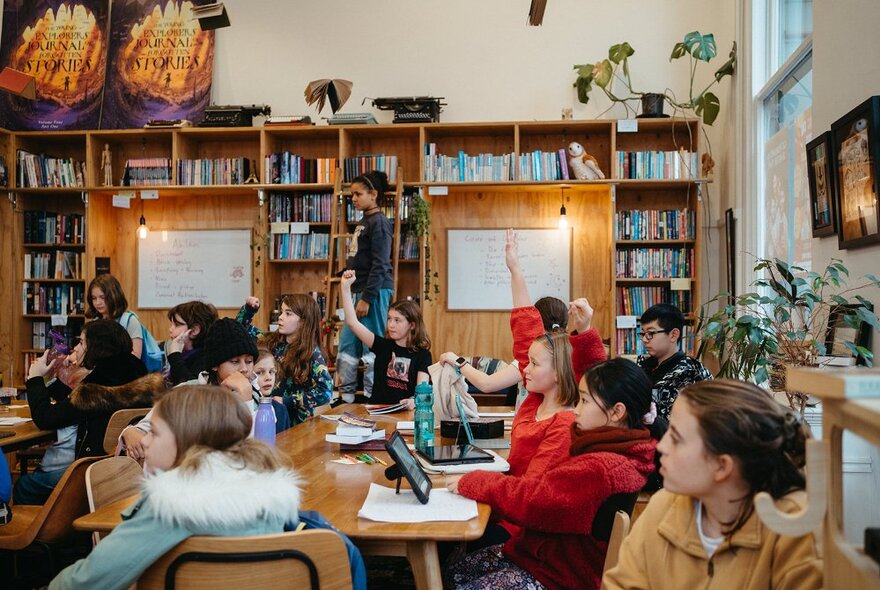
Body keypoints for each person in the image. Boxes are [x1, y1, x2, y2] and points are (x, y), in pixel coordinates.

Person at [49, 385, 304, 590]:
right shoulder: (268, 495)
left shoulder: (169, 506)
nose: (145, 441)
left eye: (154, 432)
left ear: (187, 440)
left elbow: (87, 581)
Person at [446, 358, 657, 590]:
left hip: (557, 575)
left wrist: (476, 481)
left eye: (584, 401)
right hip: (549, 559)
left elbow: (534, 501)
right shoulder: (622, 450)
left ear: (617, 412)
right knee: (451, 569)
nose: (576, 410)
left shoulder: (601, 468)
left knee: (449, 577)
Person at [603, 379, 823, 590]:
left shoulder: (795, 528)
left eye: (677, 438)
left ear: (722, 465)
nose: (661, 446)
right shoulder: (663, 506)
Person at [15, 320, 162, 505]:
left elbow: (45, 418)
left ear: (96, 347)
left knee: (24, 485)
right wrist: (50, 380)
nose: (76, 347)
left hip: (92, 468)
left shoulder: (97, 384)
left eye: (82, 342)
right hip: (128, 466)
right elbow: (78, 406)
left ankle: (50, 533)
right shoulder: (136, 373)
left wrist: (35, 378)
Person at [120, 319, 290, 460]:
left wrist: (246, 400)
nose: (244, 369)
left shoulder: (256, 394)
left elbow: (254, 451)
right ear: (215, 365)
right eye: (235, 362)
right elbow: (143, 428)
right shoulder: (189, 392)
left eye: (249, 360)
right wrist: (129, 432)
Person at [335, 170, 394, 403]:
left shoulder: (379, 223)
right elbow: (361, 260)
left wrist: (367, 298)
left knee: (372, 344)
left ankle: (373, 396)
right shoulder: (364, 221)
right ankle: (346, 397)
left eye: (358, 194)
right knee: (348, 343)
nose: (354, 199)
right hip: (358, 288)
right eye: (352, 195)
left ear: (374, 194)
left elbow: (380, 264)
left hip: (374, 290)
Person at [237, 294, 332, 424]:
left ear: (304, 321)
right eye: (281, 312)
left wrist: (289, 401)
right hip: (270, 416)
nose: (280, 317)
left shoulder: (312, 353)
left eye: (288, 314)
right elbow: (239, 330)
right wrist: (248, 310)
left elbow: (325, 393)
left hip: (296, 426)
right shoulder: (272, 342)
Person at [340, 270, 431, 405]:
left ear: (412, 325)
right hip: (377, 411)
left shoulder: (423, 355)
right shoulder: (382, 345)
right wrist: (345, 288)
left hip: (404, 416)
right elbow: (353, 323)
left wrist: (414, 402)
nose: (391, 325)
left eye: (397, 320)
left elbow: (422, 394)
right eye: (389, 319)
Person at [637, 303, 712, 420]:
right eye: (642, 334)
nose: (644, 340)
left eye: (650, 333)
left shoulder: (693, 373)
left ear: (673, 335)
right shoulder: (642, 366)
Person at [85, 274, 144, 360]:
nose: (98, 302)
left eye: (102, 297)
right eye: (94, 298)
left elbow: (135, 357)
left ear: (114, 295)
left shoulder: (130, 320)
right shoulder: (95, 322)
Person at [162, 300, 218, 385]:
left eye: (176, 325)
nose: (170, 329)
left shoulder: (204, 358)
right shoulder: (179, 351)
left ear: (194, 330)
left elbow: (188, 388)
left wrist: (175, 356)